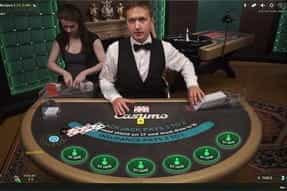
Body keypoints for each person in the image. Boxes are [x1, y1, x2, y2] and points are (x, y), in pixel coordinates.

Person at [99, 1, 205, 116]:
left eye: (142, 19)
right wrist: (114, 98)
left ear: (151, 22)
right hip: (125, 107)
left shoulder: (165, 47)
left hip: (158, 105)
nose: (137, 26)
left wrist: (192, 84)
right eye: (132, 21)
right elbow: (105, 80)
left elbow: (186, 64)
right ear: (127, 24)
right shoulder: (114, 49)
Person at [48, 4, 105, 89]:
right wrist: (64, 73)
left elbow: (104, 63)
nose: (68, 30)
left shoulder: (92, 38)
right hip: (68, 82)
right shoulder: (60, 39)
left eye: (72, 26)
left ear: (79, 23)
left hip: (90, 82)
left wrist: (84, 73)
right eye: (65, 26)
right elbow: (50, 63)